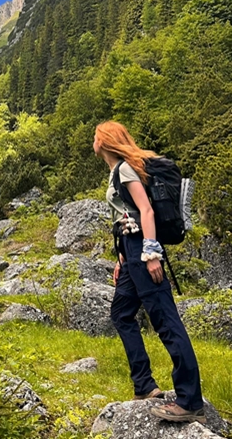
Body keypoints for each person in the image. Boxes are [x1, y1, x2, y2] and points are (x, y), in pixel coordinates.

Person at [93, 121, 205, 423]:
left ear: (104, 141)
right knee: (121, 313)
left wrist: (151, 253)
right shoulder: (118, 170)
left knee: (165, 320)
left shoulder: (126, 169)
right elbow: (125, 217)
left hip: (143, 248)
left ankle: (190, 401)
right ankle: (144, 385)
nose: (93, 140)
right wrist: (123, 259)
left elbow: (147, 211)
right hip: (131, 251)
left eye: (95, 136)